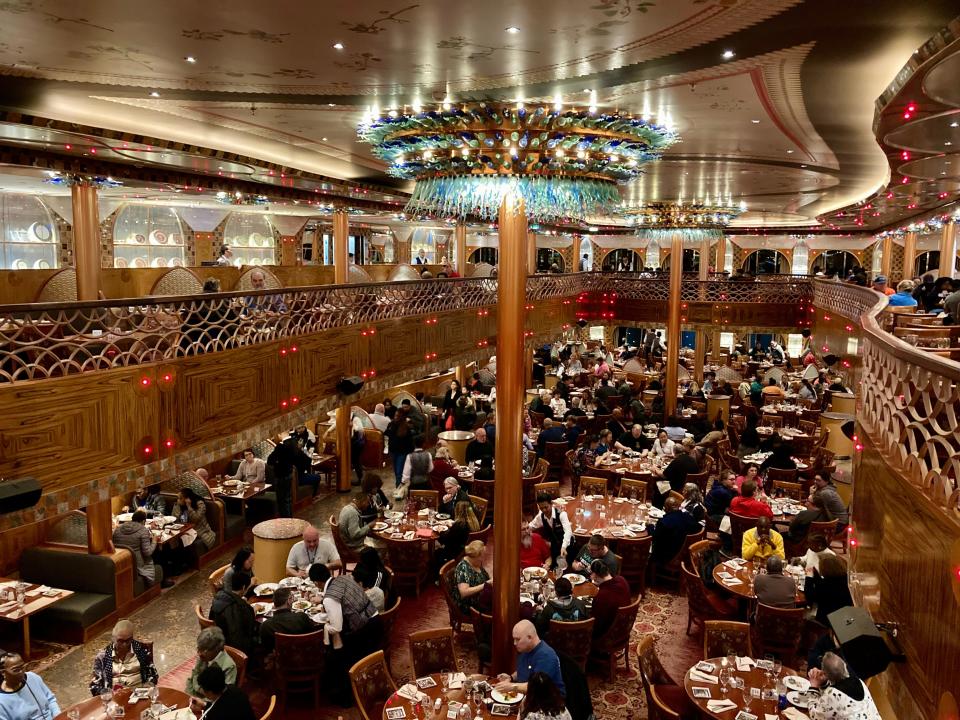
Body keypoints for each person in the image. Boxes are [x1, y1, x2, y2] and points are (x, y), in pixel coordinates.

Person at [495, 620, 565, 696]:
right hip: (529, 697)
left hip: (549, 702)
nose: (514, 643)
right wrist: (511, 678)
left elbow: (536, 687)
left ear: (530, 637)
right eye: (514, 639)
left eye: (518, 639)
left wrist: (512, 686)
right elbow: (523, 670)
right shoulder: (526, 649)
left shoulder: (546, 656)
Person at [89, 620, 159, 695]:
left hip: (139, 694)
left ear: (132, 638)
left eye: (128, 641)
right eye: (120, 641)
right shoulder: (103, 656)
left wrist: (147, 687)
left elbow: (153, 675)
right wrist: (107, 694)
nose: (124, 644)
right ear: (113, 638)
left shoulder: (142, 649)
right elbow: (94, 686)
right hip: (114, 698)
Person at [807, 652, 882, 720]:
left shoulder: (832, 694)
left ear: (826, 674)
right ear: (845, 666)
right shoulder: (859, 681)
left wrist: (814, 686)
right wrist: (823, 683)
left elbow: (815, 716)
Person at [112, 510, 167, 588]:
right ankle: (163, 582)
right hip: (136, 564)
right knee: (159, 554)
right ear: (144, 521)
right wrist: (154, 541)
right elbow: (147, 553)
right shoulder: (143, 530)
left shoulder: (118, 529)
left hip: (121, 561)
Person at [0, 652, 59, 720]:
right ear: (3, 672)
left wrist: (58, 716)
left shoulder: (32, 677)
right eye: (16, 670)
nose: (22, 672)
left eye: (23, 667)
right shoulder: (2, 701)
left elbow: (51, 700)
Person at [209, 573, 257, 656]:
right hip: (236, 650)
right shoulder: (241, 607)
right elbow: (250, 628)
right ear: (243, 587)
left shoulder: (219, 596)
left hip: (217, 641)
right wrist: (254, 611)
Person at [259, 586, 316, 653]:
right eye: (292, 598)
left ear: (274, 604)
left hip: (282, 660)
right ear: (289, 601)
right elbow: (313, 636)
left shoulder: (265, 626)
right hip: (306, 656)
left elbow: (267, 649)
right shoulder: (302, 617)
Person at [185, 627, 237, 699]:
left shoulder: (229, 666)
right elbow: (194, 676)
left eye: (204, 650)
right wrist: (189, 696)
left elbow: (223, 696)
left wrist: (202, 701)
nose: (199, 653)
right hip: (195, 696)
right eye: (199, 648)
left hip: (210, 702)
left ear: (216, 649)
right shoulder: (203, 656)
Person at [804, 554, 853, 625]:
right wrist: (816, 575)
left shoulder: (825, 585)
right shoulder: (847, 580)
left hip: (827, 621)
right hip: (845, 620)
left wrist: (809, 577)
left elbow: (810, 598)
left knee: (806, 616)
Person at [651, 496, 700, 566]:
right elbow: (698, 528)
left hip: (667, 557)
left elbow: (654, 538)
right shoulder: (689, 517)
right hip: (685, 556)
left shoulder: (664, 522)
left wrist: (650, 526)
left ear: (666, 508)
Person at [588, 560, 631, 638]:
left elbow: (595, 623)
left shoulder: (602, 596)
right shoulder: (622, 579)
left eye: (591, 573)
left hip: (609, 635)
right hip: (624, 626)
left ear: (594, 575)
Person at [528, 493, 572, 568]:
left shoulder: (561, 514)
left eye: (546, 507)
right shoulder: (541, 516)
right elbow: (531, 526)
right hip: (554, 548)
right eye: (541, 508)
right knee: (554, 569)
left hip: (568, 546)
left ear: (551, 504)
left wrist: (564, 546)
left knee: (567, 568)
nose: (544, 510)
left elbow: (568, 531)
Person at [172, 487, 217, 551]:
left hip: (200, 530)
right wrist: (177, 506)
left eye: (180, 498)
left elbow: (195, 519)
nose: (178, 500)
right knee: (173, 539)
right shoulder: (180, 505)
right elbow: (174, 519)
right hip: (185, 529)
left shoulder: (200, 504)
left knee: (184, 539)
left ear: (187, 499)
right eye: (178, 498)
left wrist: (189, 507)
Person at [452, 540, 491, 613]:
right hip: (469, 606)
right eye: (482, 556)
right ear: (475, 556)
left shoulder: (476, 562)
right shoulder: (463, 568)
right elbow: (464, 593)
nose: (483, 559)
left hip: (480, 598)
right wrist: (486, 584)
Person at [385, 410, 415, 488]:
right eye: (395, 415)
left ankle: (398, 488)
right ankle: (400, 486)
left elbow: (410, 442)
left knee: (399, 472)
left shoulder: (406, 428)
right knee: (396, 471)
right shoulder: (391, 424)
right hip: (392, 451)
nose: (395, 417)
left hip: (402, 453)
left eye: (397, 416)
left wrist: (410, 452)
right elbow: (386, 433)